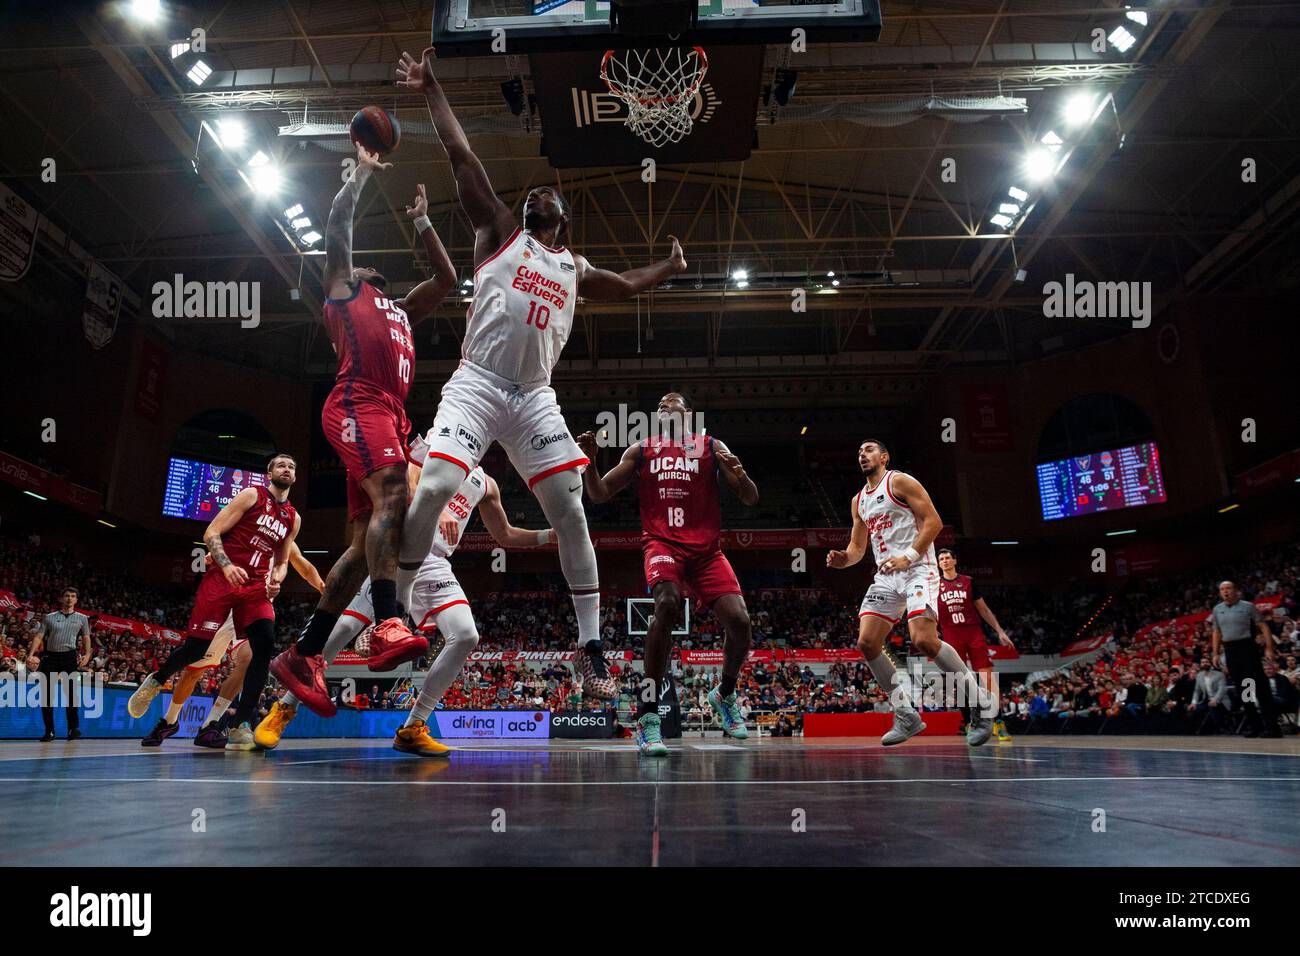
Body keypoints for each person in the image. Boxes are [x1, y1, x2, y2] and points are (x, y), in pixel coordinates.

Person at [391, 48, 688, 703]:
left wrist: (667, 268)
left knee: (574, 514)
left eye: (546, 195)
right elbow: (461, 154)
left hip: (532, 399)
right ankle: (395, 611)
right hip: (476, 383)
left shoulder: (574, 267)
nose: (534, 194)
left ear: (561, 217)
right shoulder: (499, 228)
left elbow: (624, 282)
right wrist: (432, 86)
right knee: (436, 482)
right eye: (531, 193)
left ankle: (589, 651)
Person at [270, 155, 457, 715]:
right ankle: (388, 620)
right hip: (357, 401)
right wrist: (361, 174)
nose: (370, 269)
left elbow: (446, 280)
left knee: (361, 543)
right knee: (396, 494)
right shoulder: (344, 292)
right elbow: (335, 229)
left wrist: (424, 222)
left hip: (390, 414)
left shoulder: (399, 310)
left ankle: (303, 653)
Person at [256, 430, 551, 756]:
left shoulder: (486, 484)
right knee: (342, 630)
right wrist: (437, 508)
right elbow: (407, 485)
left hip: (436, 563)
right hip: (399, 554)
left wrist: (550, 535)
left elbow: (506, 534)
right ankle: (283, 710)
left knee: (466, 635)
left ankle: (412, 727)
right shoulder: (436, 452)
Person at [576, 391, 758, 756]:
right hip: (663, 546)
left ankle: (724, 693)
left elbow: (750, 498)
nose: (661, 408)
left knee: (740, 622)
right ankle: (647, 716)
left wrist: (739, 476)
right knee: (667, 603)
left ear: (688, 413)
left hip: (706, 552)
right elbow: (598, 494)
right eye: (657, 406)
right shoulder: (642, 449)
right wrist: (591, 464)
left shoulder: (710, 446)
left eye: (669, 403)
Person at [826, 439, 992, 746]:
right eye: (859, 451)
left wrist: (909, 556)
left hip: (918, 567)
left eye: (870, 449)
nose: (863, 454)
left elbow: (934, 522)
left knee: (923, 639)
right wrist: (843, 559)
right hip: (887, 575)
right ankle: (906, 714)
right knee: (867, 641)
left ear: (885, 457)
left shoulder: (899, 481)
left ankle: (981, 704)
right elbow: (858, 548)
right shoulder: (858, 500)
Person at [128, 455, 302, 746]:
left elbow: (283, 561)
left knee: (264, 644)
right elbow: (211, 532)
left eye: (292, 466)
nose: (287, 469)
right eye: (281, 465)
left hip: (255, 588)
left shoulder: (292, 518)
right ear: (269, 472)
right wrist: (226, 565)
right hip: (223, 579)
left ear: (295, 476)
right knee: (196, 650)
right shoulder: (251, 495)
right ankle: (158, 680)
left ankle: (240, 722)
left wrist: (277, 581)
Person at [141, 544, 324, 749]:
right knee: (194, 671)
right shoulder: (251, 524)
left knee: (250, 659)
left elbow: (305, 567)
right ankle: (169, 721)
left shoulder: (286, 537)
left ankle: (211, 725)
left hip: (255, 609)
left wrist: (324, 589)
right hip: (227, 605)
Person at [935, 548, 1014, 741]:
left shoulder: (968, 581)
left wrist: (1000, 631)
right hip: (951, 633)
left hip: (972, 631)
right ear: (938, 564)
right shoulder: (934, 584)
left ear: (954, 560)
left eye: (947, 558)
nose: (944, 561)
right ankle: (969, 722)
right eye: (941, 559)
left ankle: (998, 722)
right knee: (959, 680)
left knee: (988, 679)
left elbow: (984, 610)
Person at [1211, 580, 1282, 738]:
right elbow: (1216, 632)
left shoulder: (1248, 606)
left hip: (1248, 648)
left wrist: (1269, 648)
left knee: (1260, 687)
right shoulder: (1217, 609)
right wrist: (1215, 653)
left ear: (1236, 590)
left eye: (1228, 588)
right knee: (1244, 688)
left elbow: (1263, 626)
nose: (1225, 591)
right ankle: (1255, 726)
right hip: (1230, 651)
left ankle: (1272, 727)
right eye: (1222, 589)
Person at [29, 588, 92, 741]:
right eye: (67, 596)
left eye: (73, 596)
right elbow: (39, 636)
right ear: (61, 599)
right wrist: (31, 654)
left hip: (69, 657)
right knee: (46, 695)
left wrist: (88, 654)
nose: (69, 598)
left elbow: (86, 637)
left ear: (76, 600)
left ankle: (72, 729)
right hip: (50, 657)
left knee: (71, 695)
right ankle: (49, 731)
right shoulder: (49, 617)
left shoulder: (82, 618)